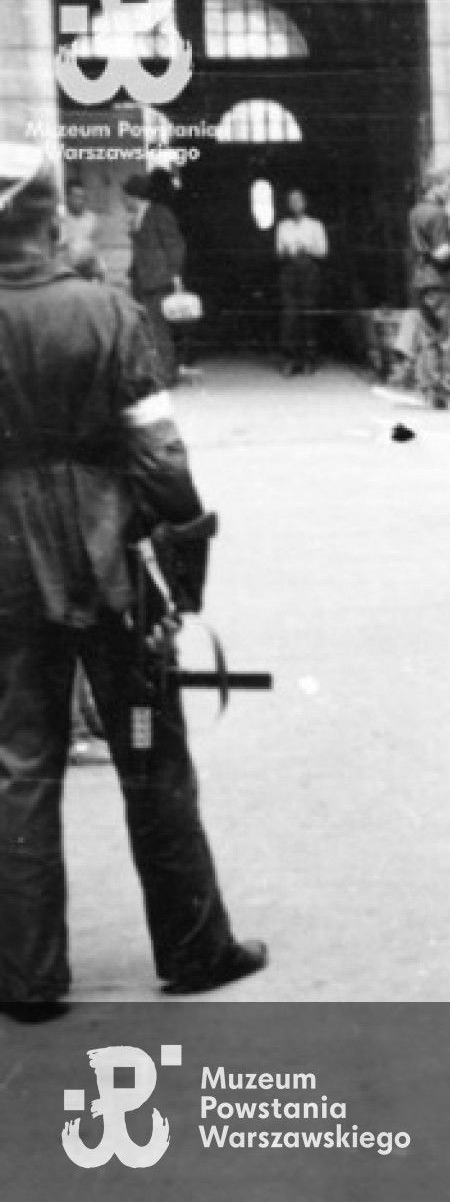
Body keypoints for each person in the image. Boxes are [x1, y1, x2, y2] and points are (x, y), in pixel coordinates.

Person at [0, 142, 265, 1024]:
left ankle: (27, 974)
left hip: (5, 571)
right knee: (149, 746)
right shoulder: (106, 313)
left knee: (19, 761)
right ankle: (194, 945)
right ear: (50, 218)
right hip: (111, 567)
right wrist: (184, 567)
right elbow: (160, 455)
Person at [407, 167, 450, 404]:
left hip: (423, 279)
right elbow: (442, 253)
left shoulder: (416, 212)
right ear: (436, 185)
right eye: (449, 186)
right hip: (443, 280)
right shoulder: (438, 214)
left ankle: (430, 390)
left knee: (430, 336)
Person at [125, 169, 186, 385]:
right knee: (147, 331)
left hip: (159, 281)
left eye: (127, 197)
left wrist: (175, 275)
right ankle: (155, 373)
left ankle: (167, 376)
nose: (125, 201)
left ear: (135, 196)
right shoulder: (136, 218)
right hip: (142, 282)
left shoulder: (160, 214)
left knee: (159, 331)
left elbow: (175, 246)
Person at [275, 189, 329, 376]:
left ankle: (309, 360)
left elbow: (323, 251)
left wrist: (306, 247)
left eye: (298, 200)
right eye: (291, 201)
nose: (295, 204)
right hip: (289, 271)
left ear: (305, 203)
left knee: (309, 315)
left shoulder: (315, 225)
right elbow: (278, 252)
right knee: (289, 316)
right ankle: (290, 360)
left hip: (309, 271)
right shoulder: (283, 226)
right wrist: (288, 251)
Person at [58, 178, 102, 280]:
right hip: (66, 272)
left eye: (83, 197)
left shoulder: (92, 219)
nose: (80, 201)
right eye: (76, 197)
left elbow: (96, 246)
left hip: (88, 271)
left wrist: (99, 267)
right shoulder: (60, 219)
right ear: (67, 197)